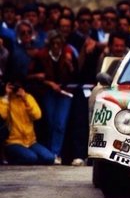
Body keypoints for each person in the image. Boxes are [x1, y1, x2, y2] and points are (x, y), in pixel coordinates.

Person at [33, 30, 78, 165]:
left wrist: (70, 66)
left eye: (59, 44)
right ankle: (49, 152)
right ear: (50, 44)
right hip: (48, 92)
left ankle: (55, 153)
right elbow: (35, 75)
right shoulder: (41, 55)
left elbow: (77, 75)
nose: (57, 46)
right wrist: (49, 83)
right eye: (54, 43)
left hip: (65, 92)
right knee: (50, 122)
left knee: (60, 123)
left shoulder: (68, 55)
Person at [0, 81, 55, 165]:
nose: (15, 89)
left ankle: (30, 158)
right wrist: (7, 95)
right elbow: (2, 115)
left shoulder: (28, 97)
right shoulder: (4, 99)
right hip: (13, 142)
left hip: (30, 141)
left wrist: (24, 99)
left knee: (49, 158)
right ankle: (10, 159)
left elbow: (37, 115)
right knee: (31, 158)